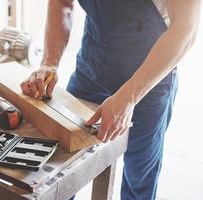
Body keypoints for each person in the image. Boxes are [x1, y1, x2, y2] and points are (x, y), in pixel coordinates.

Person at [20, 0, 201, 199]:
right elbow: (62, 2)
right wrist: (49, 62)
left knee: (139, 176)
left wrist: (129, 97)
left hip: (149, 81)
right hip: (91, 67)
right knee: (60, 165)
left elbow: (186, 30)